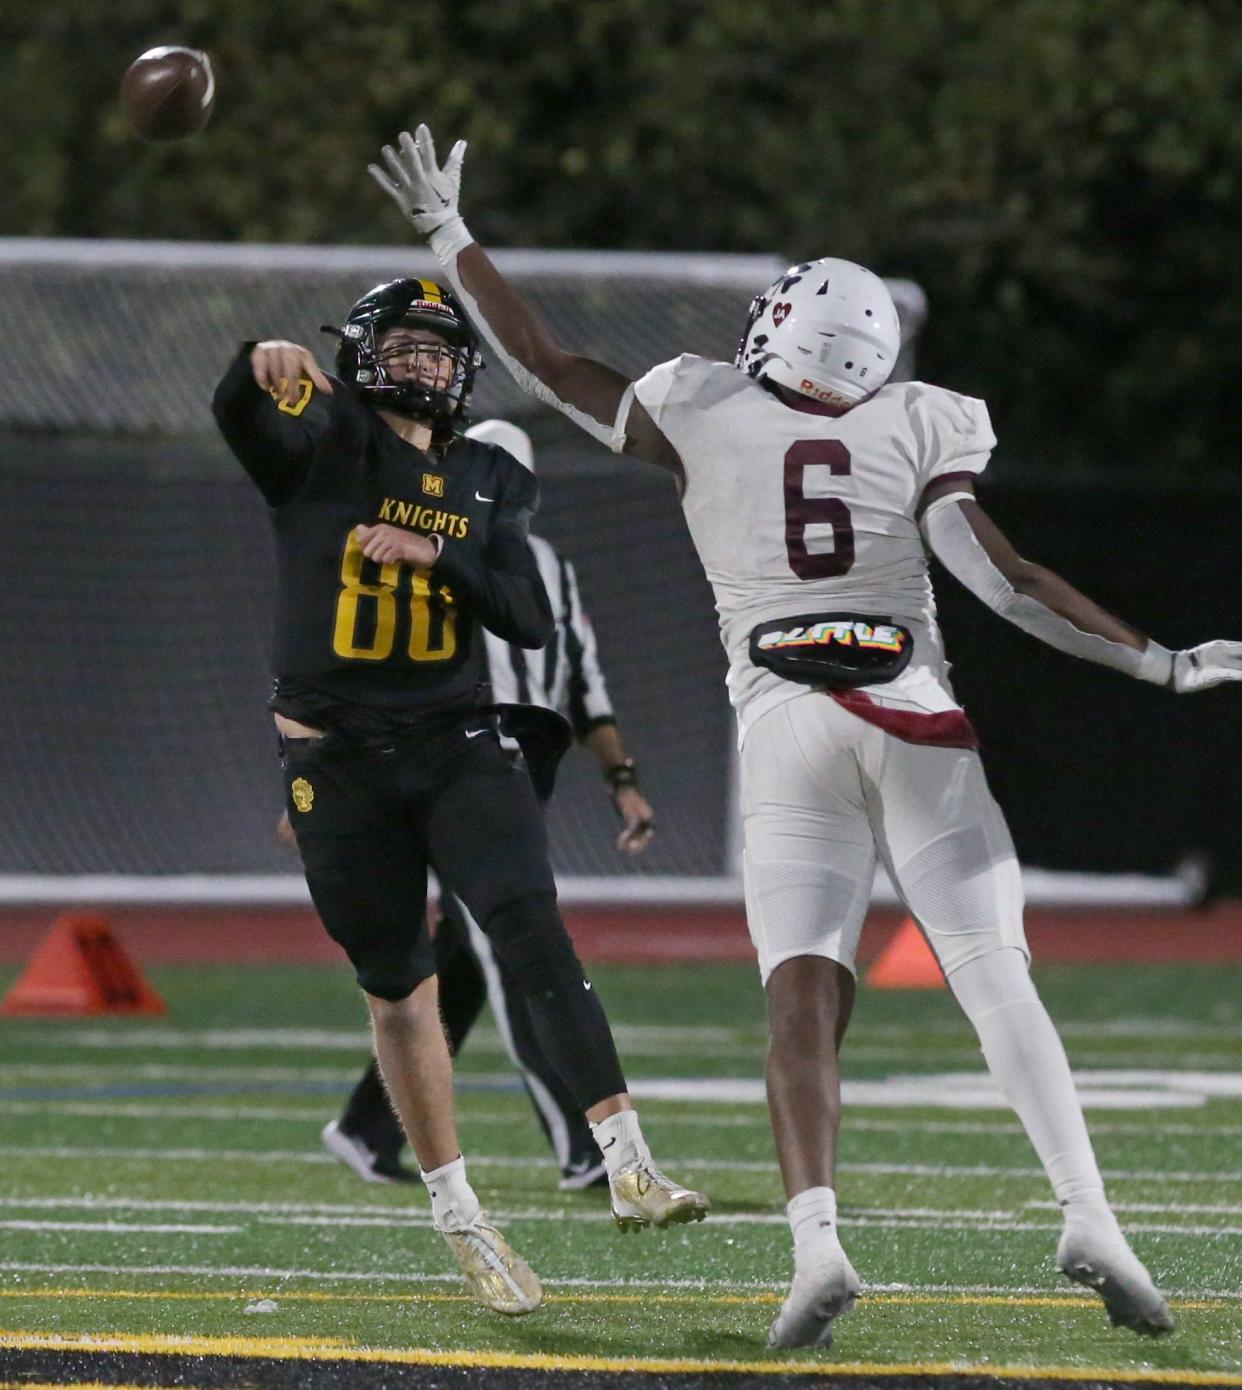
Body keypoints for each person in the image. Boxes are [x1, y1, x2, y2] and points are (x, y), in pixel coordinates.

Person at [365, 125, 1242, 1348]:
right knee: (998, 981)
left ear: (781, 329)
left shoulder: (700, 407)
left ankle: (816, 1246)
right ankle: (1090, 1213)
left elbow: (547, 360)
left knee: (800, 997)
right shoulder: (923, 421)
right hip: (918, 720)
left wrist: (450, 237)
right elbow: (1009, 582)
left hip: (787, 726)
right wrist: (1161, 659)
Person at [212, 279, 708, 1318]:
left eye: (443, 351)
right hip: (335, 760)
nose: (428, 364)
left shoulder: (486, 472)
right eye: (406, 346)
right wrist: (256, 354)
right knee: (397, 988)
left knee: (532, 927)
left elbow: (527, 616)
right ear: (358, 354)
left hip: (457, 741)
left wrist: (439, 554)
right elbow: (237, 412)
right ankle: (462, 1218)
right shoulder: (324, 439)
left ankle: (628, 1157)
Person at [321, 417, 656, 1193]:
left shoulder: (546, 568)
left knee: (472, 959)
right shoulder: (420, 551)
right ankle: (581, 1142)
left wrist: (622, 779)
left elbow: (584, 684)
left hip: (520, 766)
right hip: (453, 764)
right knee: (517, 951)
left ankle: (367, 1127)